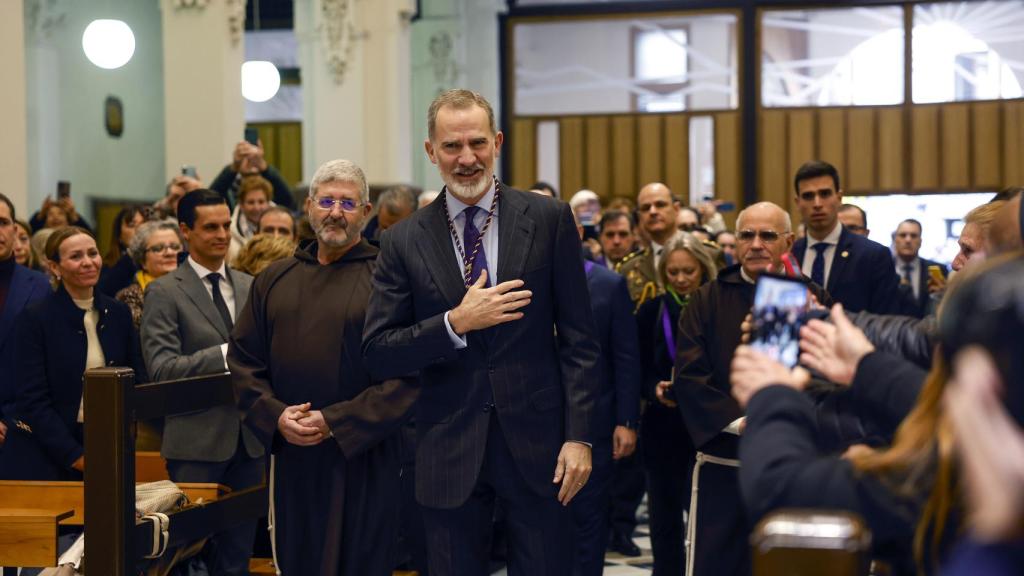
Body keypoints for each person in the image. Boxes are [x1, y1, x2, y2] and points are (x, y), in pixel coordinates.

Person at [362, 89, 600, 576]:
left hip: (540, 449)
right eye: (452, 146)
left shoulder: (550, 220)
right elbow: (378, 352)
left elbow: (580, 342)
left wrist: (580, 438)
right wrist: (454, 324)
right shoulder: (403, 239)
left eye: (476, 143)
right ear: (431, 151)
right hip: (447, 449)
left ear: (497, 142)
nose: (466, 158)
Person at [231, 159, 418, 575]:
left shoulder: (390, 280)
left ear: (366, 213)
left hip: (365, 454)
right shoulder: (273, 280)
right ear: (309, 206)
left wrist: (336, 420)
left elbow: (408, 376)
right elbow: (244, 362)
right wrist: (276, 415)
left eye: (348, 203)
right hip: (295, 457)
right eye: (327, 200)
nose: (336, 212)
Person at [673, 201, 829, 576]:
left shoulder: (808, 298)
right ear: (735, 242)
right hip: (724, 465)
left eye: (768, 235)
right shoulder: (707, 298)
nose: (756, 244)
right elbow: (690, 376)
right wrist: (742, 421)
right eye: (747, 235)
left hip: (787, 466)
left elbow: (824, 374)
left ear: (789, 242)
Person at [140, 189, 264, 576]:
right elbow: (161, 370)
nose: (222, 234)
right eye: (210, 227)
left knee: (237, 554)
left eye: (227, 225)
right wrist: (223, 354)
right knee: (183, 553)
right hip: (196, 440)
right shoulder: (164, 291)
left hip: (251, 439)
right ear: (185, 232)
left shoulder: (249, 285)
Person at [0, 226, 144, 481]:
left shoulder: (118, 313)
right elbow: (33, 399)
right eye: (76, 257)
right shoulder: (35, 319)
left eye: (93, 253)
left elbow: (135, 379)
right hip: (46, 450)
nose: (88, 262)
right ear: (55, 267)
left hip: (107, 440)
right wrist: (74, 455)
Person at [636, 233, 717, 576]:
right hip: (662, 427)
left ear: (703, 269)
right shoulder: (651, 310)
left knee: (705, 517)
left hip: (705, 428)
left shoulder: (715, 308)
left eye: (689, 271)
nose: (681, 280)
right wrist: (653, 387)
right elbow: (635, 367)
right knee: (664, 520)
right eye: (673, 273)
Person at [572, 214, 641, 572]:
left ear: (580, 232)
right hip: (536, 423)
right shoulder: (523, 278)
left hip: (596, 420)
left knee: (589, 521)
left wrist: (626, 420)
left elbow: (625, 356)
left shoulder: (608, 283)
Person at [791, 161, 903, 314]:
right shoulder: (790, 254)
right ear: (798, 203)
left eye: (825, 194)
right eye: (808, 196)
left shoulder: (874, 255)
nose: (817, 204)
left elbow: (886, 321)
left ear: (839, 197)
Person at [0, 195, 50, 460]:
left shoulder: (40, 286)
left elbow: (48, 366)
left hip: (23, 429)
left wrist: (13, 420)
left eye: (2, 222)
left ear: (15, 229)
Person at [618, 183, 681, 308]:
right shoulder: (628, 268)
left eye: (660, 205)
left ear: (676, 209)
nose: (652, 212)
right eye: (646, 208)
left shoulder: (707, 255)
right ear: (639, 216)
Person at [115, 220, 183, 329]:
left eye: (175, 247)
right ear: (142, 260)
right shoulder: (129, 297)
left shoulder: (197, 285)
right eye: (158, 248)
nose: (169, 253)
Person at [209, 140, 295, 211]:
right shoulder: (230, 188)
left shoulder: (270, 186)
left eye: (254, 158)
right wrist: (234, 167)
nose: (256, 208)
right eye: (245, 157)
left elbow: (288, 202)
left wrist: (264, 167)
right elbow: (211, 198)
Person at [892, 219, 947, 318]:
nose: (908, 240)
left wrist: (942, 296)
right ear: (896, 239)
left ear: (920, 241)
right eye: (903, 235)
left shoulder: (939, 270)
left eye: (913, 236)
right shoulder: (883, 268)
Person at [98, 205, 148, 297]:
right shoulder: (110, 267)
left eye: (143, 224)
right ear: (119, 236)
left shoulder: (159, 261)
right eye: (132, 225)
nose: (139, 229)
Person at [228, 175, 273, 263]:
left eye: (261, 202)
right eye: (251, 202)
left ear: (268, 203)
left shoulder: (282, 223)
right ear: (241, 205)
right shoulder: (230, 232)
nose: (256, 207)